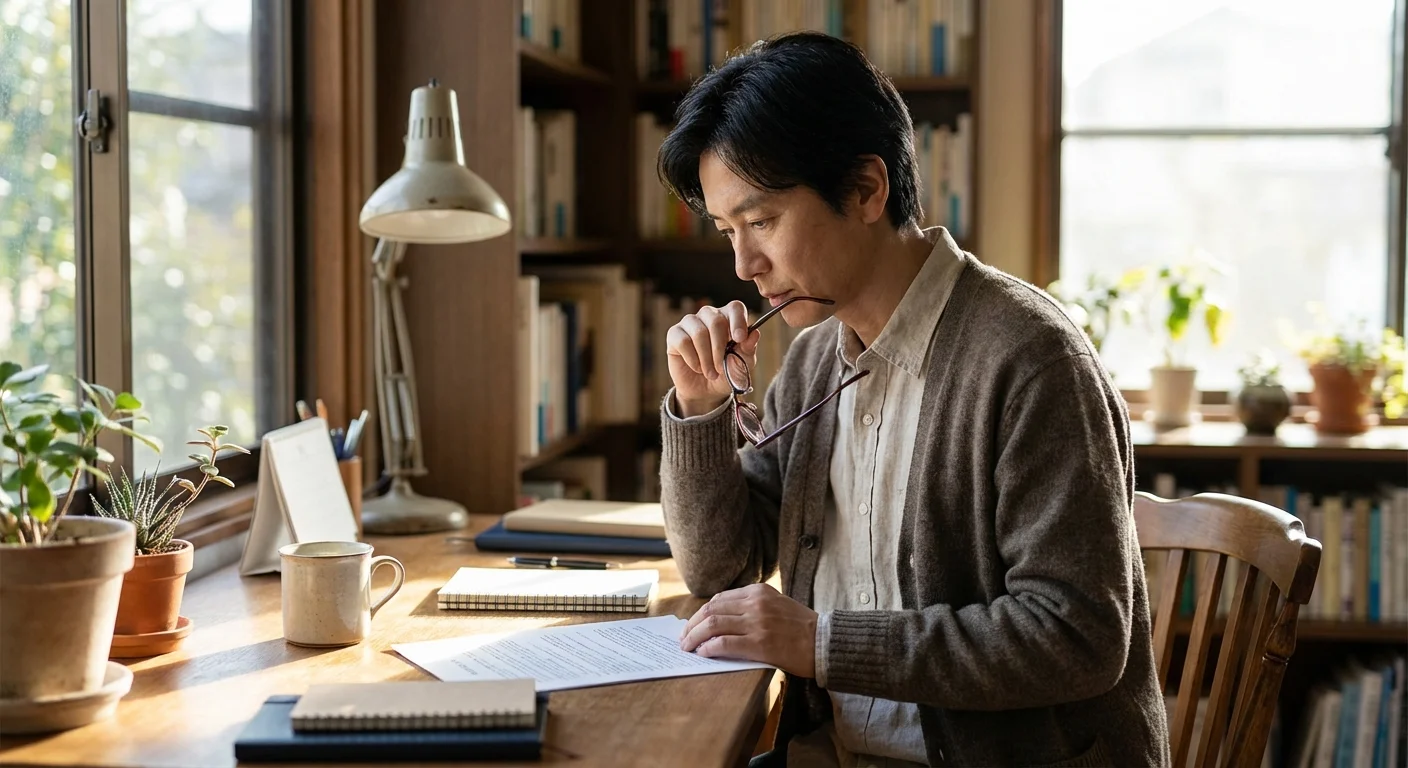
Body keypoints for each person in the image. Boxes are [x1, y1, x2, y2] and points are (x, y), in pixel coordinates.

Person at [654, 32, 1170, 768]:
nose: (744, 265)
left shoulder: (1030, 358)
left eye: (762, 221)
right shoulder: (811, 361)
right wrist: (702, 409)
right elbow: (722, 572)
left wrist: (818, 642)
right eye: (727, 231)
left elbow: (1077, 637)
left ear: (866, 189)